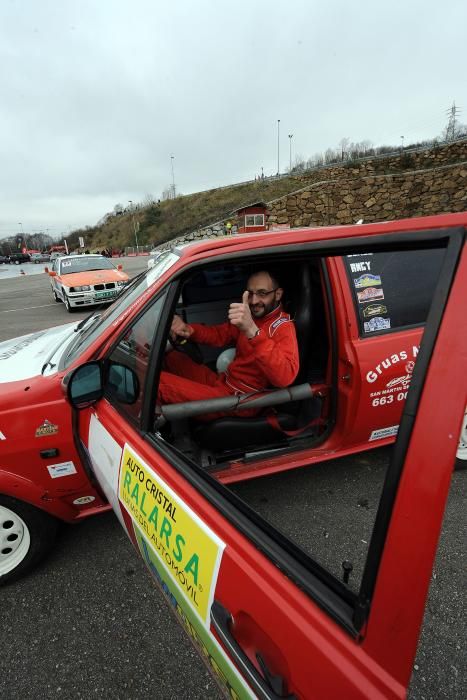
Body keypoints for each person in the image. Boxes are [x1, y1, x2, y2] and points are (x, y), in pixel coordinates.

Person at [158, 270, 299, 416]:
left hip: (242, 400)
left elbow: (285, 377)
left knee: (158, 385)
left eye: (262, 293)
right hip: (225, 383)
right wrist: (189, 330)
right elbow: (220, 335)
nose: (254, 301)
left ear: (278, 294)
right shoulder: (252, 317)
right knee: (171, 358)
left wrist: (252, 331)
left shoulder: (283, 327)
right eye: (250, 293)